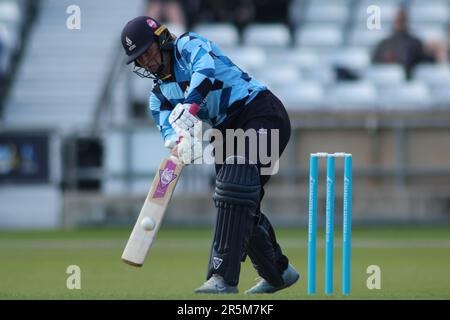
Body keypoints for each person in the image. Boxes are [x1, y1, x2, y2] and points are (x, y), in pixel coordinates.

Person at [120, 16, 299, 294]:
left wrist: (191, 107)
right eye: (138, 59)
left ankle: (221, 278)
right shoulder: (159, 97)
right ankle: (278, 272)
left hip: (260, 112)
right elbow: (170, 134)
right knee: (235, 200)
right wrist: (183, 143)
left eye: (147, 52)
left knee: (236, 183)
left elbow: (205, 69)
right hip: (224, 131)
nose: (146, 62)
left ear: (161, 39)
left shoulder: (188, 45)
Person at [372, 7, 435, 79]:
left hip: (411, 80)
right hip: (389, 80)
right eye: (398, 20)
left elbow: (426, 59)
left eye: (402, 20)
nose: (400, 23)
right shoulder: (385, 44)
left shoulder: (415, 43)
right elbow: (374, 61)